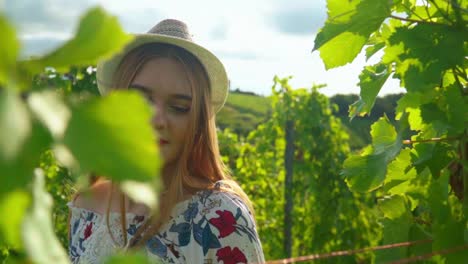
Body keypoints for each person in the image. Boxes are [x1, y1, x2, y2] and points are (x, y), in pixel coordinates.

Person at [67, 19, 265, 263]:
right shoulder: (86, 205)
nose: (157, 119)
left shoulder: (220, 218)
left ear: (198, 122)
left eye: (179, 107)